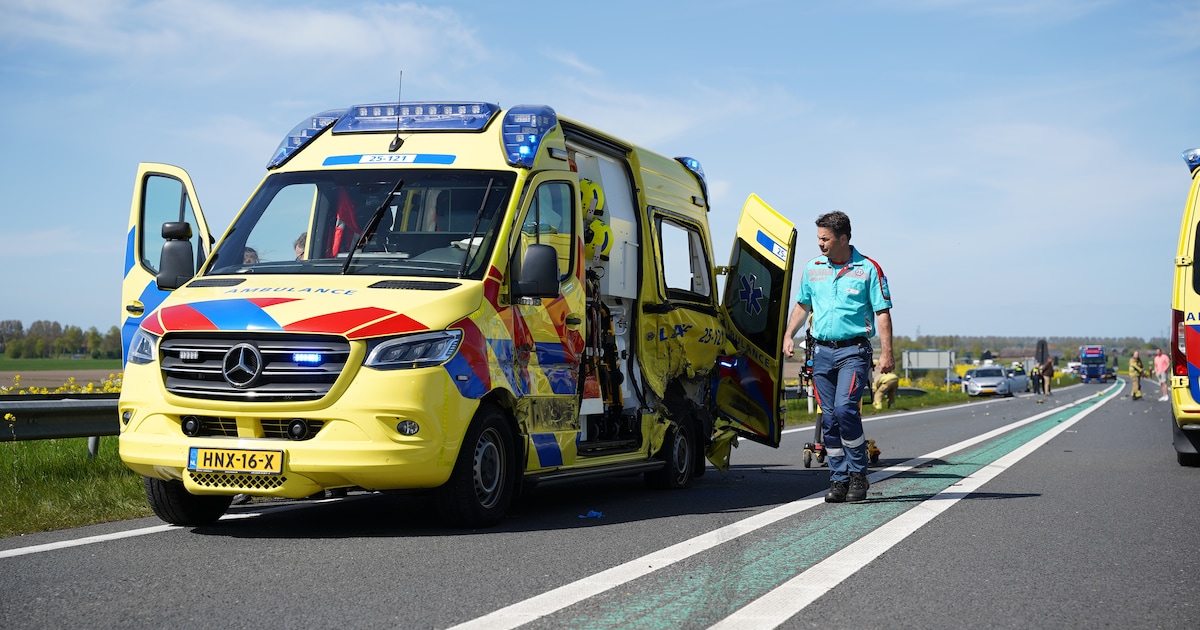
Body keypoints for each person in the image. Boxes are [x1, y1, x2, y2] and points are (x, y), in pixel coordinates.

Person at [784, 210, 893, 503]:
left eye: (825, 239)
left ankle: (859, 473)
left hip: (853, 352)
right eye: (819, 238)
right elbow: (802, 305)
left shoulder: (868, 269)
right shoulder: (812, 268)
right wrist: (788, 335)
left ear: (843, 238)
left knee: (845, 410)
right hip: (821, 352)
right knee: (829, 419)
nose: (820, 244)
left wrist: (887, 353)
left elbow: (882, 312)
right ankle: (838, 478)